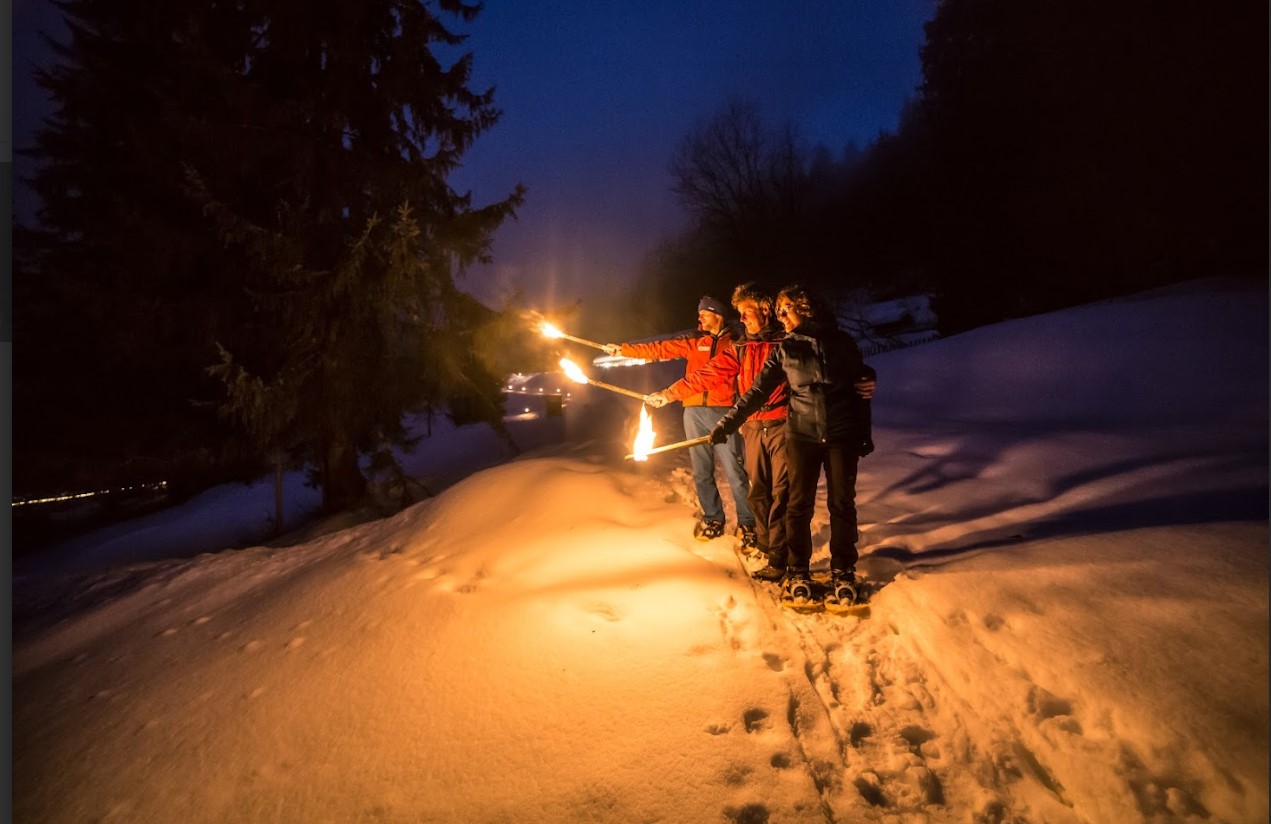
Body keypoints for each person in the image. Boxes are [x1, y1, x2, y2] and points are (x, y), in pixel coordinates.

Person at [648, 283, 875, 581]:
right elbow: (734, 384)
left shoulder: (811, 342)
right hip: (770, 429)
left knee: (803, 498)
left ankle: (824, 566)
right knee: (764, 494)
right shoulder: (753, 347)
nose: (740, 319)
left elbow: (854, 380)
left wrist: (868, 387)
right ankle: (777, 555)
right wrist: (673, 394)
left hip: (794, 427)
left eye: (746, 312)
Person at [709, 284, 875, 609]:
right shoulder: (785, 349)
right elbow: (756, 392)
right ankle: (798, 571)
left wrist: (865, 432)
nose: (781, 314)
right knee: (798, 506)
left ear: (805, 308)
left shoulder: (842, 343)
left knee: (842, 505)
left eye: (787, 308)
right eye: (780, 309)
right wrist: (727, 423)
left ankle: (843, 570)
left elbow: (861, 388)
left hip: (842, 435)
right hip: (801, 436)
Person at [604, 296, 756, 541]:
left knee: (735, 471)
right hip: (693, 412)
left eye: (704, 314)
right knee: (701, 471)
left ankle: (748, 524)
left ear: (717, 315)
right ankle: (713, 519)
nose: (699, 318)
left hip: (726, 411)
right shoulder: (694, 341)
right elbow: (659, 348)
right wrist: (623, 350)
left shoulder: (736, 342)